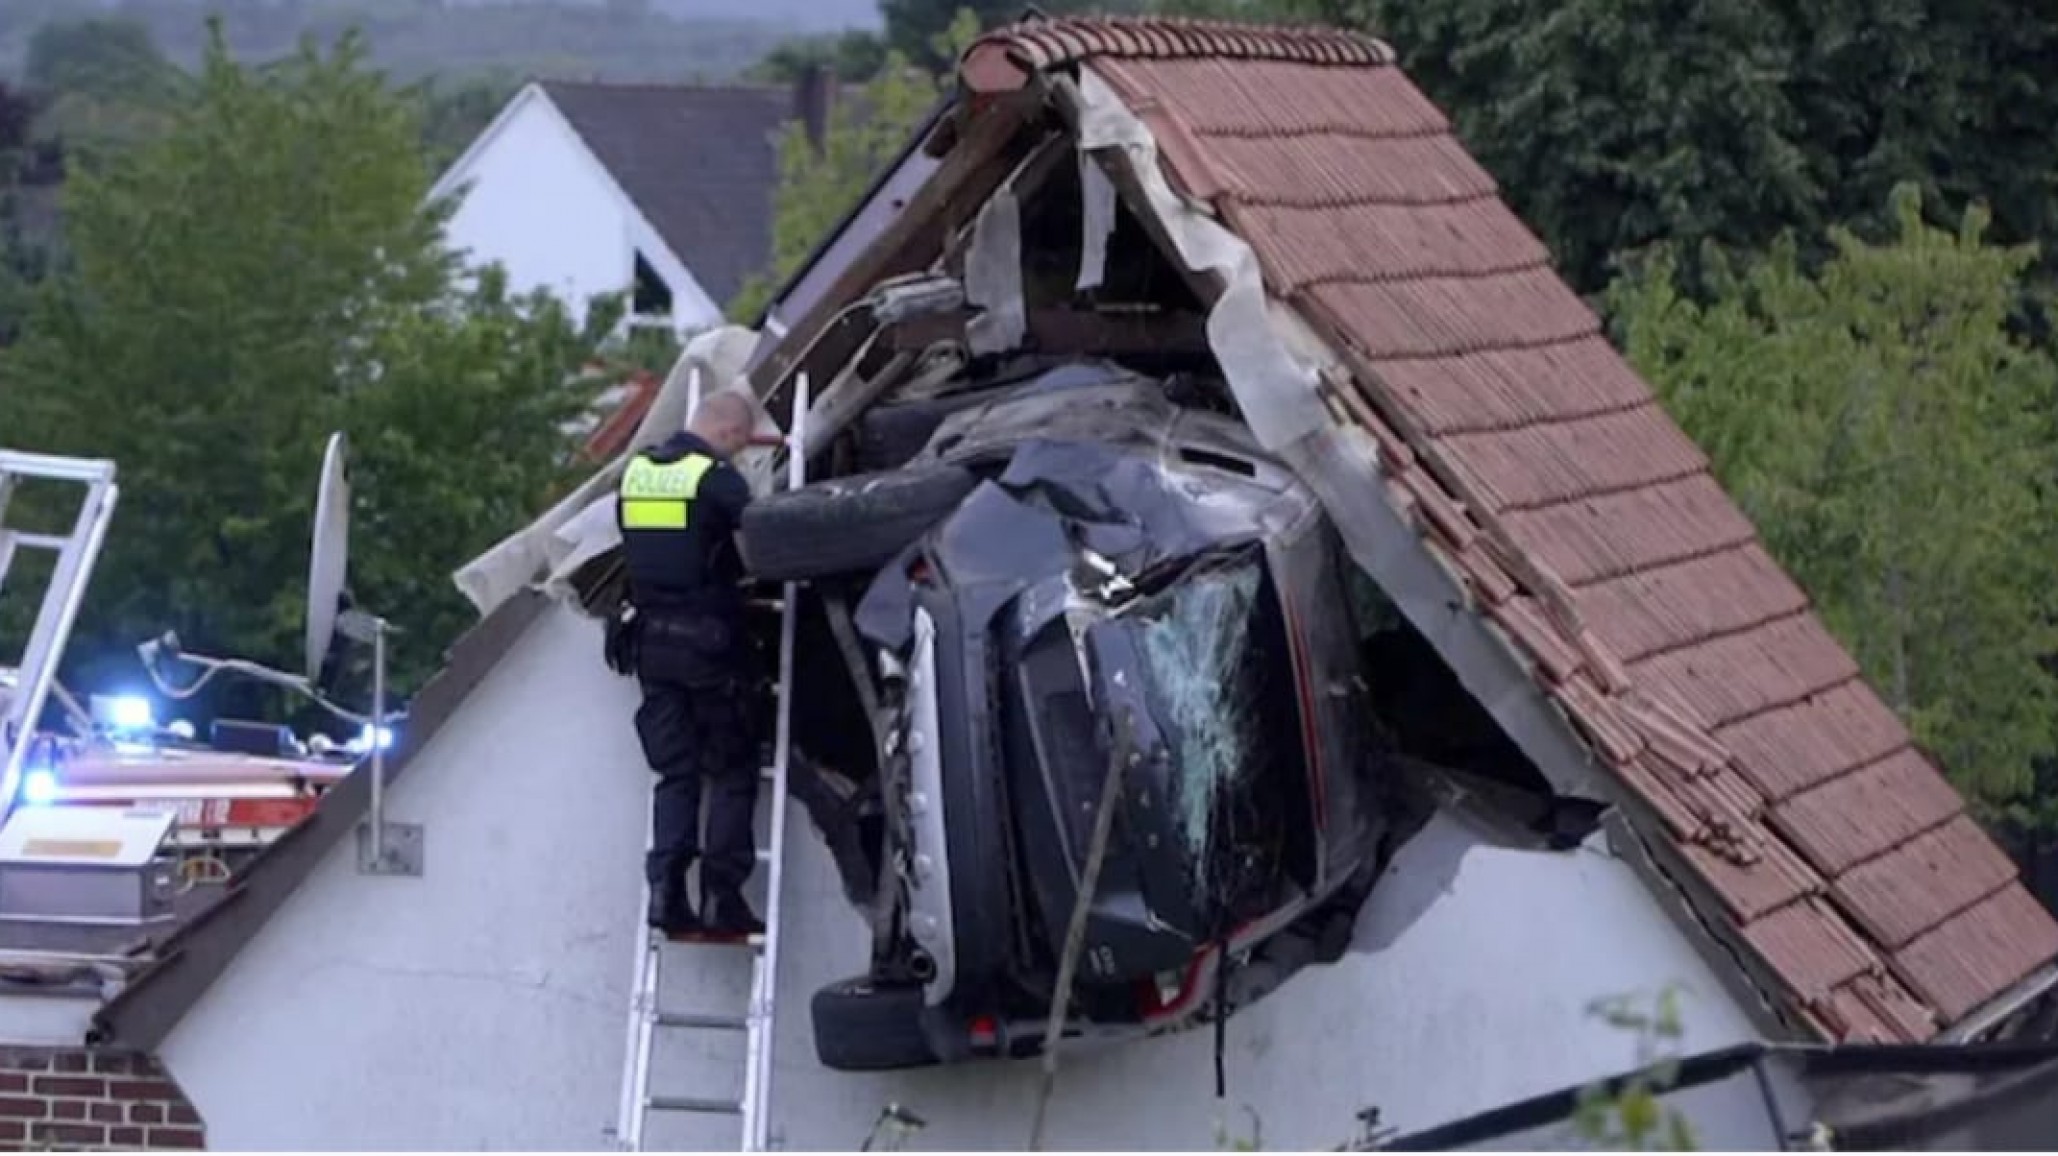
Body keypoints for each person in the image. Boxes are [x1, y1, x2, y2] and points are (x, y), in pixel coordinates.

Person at [616, 389, 766, 941]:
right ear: (728, 433)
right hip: (708, 644)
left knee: (676, 773)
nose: (739, 455)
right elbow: (761, 540)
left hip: (650, 646)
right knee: (731, 768)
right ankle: (722, 900)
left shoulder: (636, 473)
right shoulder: (715, 477)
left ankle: (666, 895)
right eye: (741, 445)